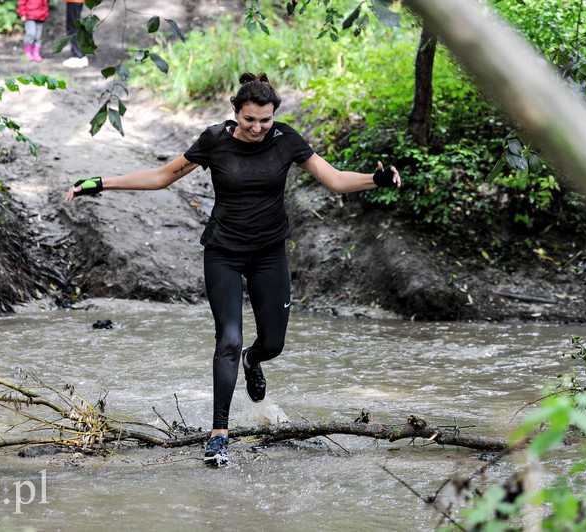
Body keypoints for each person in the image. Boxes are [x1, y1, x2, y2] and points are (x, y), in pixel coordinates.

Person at [65, 72, 401, 467]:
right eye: (249, 120)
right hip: (223, 253)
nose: (257, 128)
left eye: (265, 120)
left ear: (274, 116)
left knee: (273, 344)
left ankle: (252, 359)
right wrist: (98, 183)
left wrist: (376, 180)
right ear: (236, 114)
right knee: (227, 338)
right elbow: (161, 177)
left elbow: (336, 180)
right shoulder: (214, 141)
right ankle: (219, 434)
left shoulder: (287, 140)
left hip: (269, 254)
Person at [62, 0, 88, 68]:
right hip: (77, 2)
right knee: (75, 26)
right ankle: (81, 55)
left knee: (73, 27)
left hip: (74, 1)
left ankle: (77, 55)